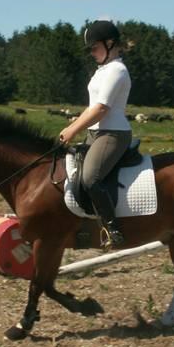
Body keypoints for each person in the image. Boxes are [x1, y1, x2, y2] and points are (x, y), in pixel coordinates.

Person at [59, 20, 132, 248]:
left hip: (113, 133)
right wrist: (73, 124)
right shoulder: (102, 70)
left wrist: (73, 129)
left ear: (110, 43)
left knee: (91, 177)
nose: (91, 53)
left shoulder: (118, 70)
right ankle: (83, 226)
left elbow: (101, 109)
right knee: (73, 173)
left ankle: (113, 230)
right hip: (95, 133)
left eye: (94, 47)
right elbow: (92, 107)